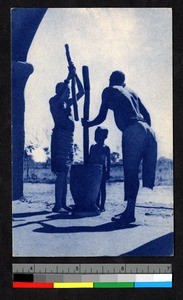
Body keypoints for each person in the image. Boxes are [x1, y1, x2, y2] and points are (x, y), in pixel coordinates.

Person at [82, 70, 157, 225]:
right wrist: (143, 133)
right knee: (135, 173)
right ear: (124, 81)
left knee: (131, 172)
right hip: (148, 130)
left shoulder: (109, 90)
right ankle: (129, 211)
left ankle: (129, 213)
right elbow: (147, 114)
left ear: (111, 80)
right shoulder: (132, 92)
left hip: (132, 129)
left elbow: (102, 116)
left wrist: (88, 124)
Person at [50, 65, 84, 212]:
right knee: (62, 172)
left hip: (68, 140)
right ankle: (58, 205)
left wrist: (75, 76)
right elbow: (63, 93)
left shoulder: (67, 105)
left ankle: (62, 204)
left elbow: (81, 91)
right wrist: (68, 78)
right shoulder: (55, 102)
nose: (69, 93)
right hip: (60, 139)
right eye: (67, 91)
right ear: (60, 92)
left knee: (65, 172)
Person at [88, 126, 111, 212]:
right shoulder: (93, 147)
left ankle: (102, 205)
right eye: (98, 136)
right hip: (94, 170)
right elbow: (90, 158)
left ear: (105, 137)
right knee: (95, 188)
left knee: (102, 188)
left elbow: (108, 161)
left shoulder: (106, 148)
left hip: (102, 170)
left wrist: (108, 172)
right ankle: (96, 204)